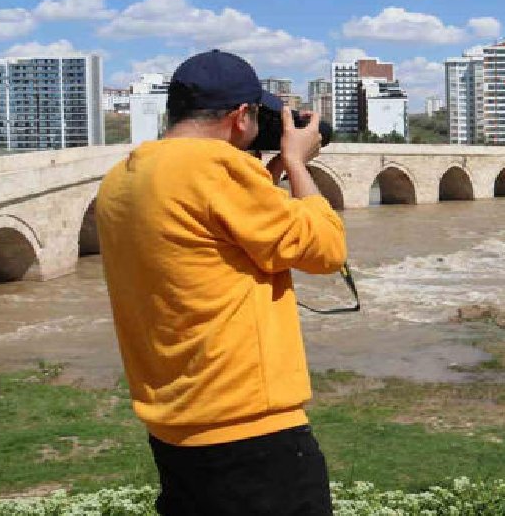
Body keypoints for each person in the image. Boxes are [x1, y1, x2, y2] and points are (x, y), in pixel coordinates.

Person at [95, 49, 347, 515]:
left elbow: (201, 254)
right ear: (241, 117)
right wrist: (296, 163)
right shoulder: (216, 170)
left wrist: (262, 192)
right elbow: (326, 250)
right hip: (250, 434)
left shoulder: (122, 178)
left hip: (176, 429)